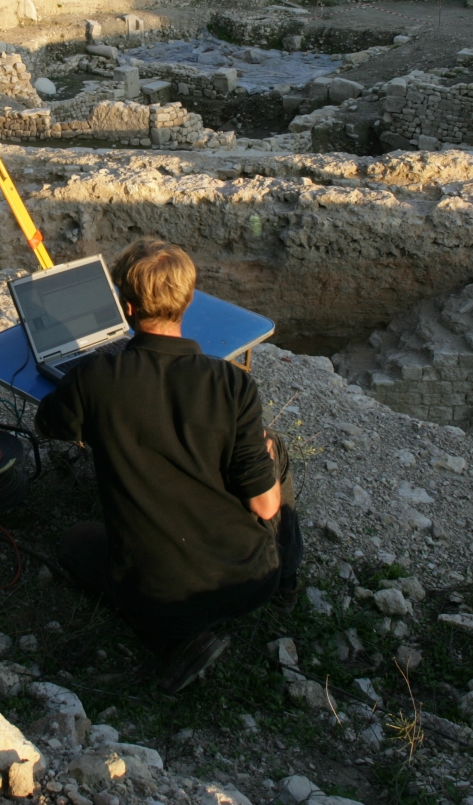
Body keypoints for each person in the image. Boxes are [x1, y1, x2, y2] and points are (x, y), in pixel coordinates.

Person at [36, 239, 301, 693]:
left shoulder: (96, 379)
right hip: (249, 580)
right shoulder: (232, 386)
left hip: (155, 593)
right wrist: (266, 464)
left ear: (127, 307)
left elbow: (49, 424)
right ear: (189, 300)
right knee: (271, 446)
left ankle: (176, 640)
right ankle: (287, 582)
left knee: (75, 543)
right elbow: (264, 506)